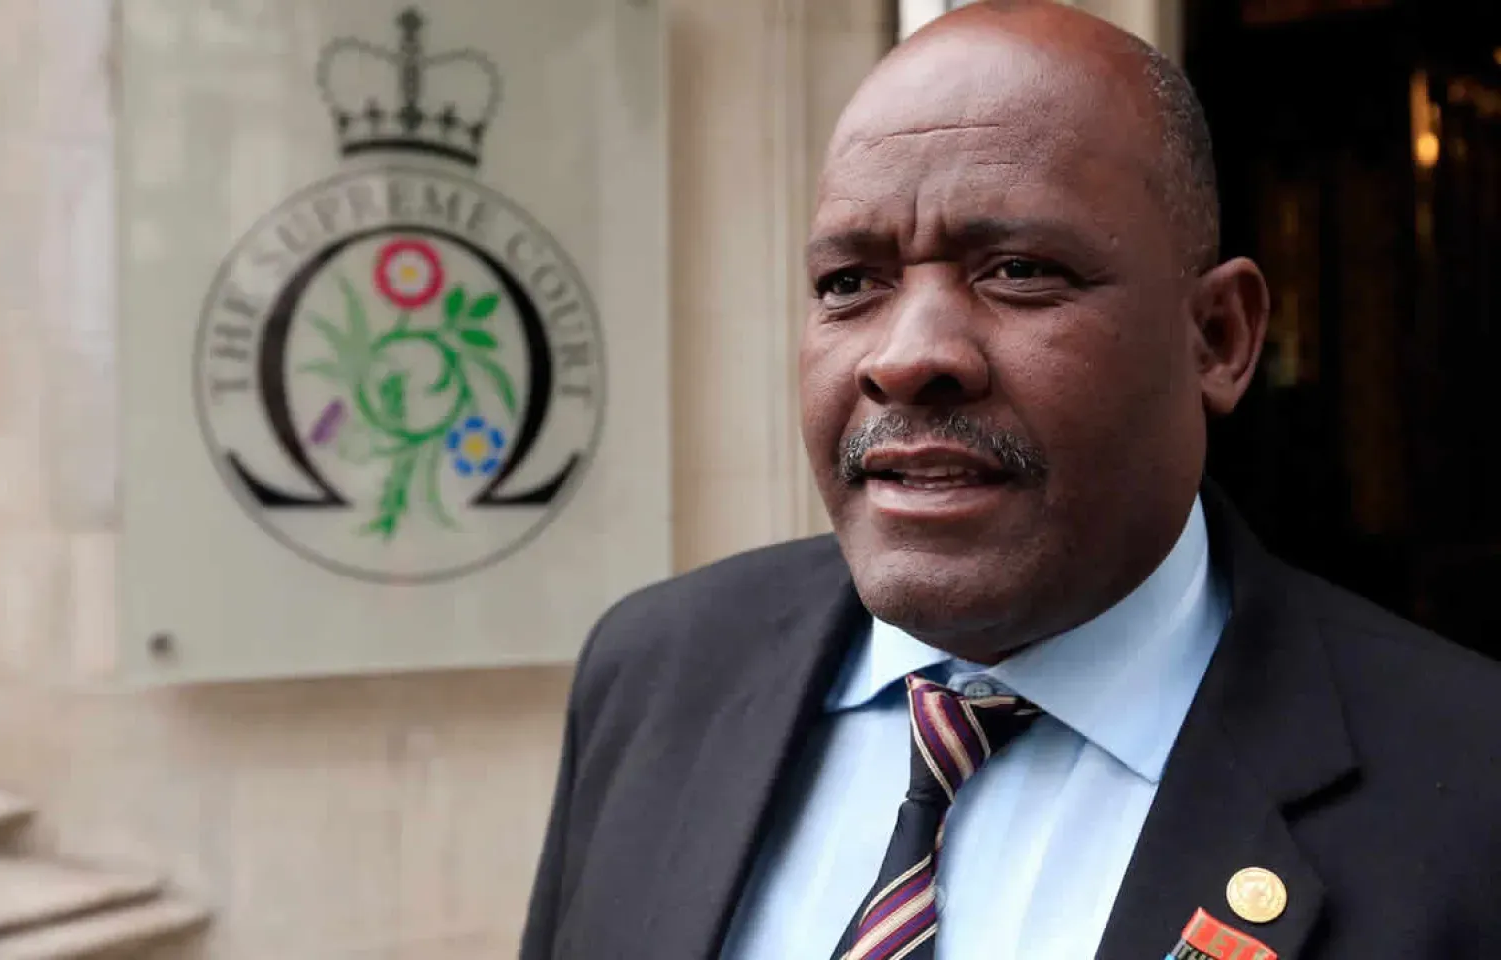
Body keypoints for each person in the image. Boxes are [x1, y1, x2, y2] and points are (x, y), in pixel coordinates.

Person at [519, 2, 1501, 958]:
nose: (906, 357)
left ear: (1217, 337)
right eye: (849, 283)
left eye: (1020, 270)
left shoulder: (1466, 783)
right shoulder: (653, 672)